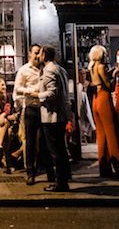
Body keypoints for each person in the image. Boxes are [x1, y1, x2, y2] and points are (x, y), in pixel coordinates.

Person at [88, 45, 119, 179]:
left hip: (95, 100)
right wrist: (114, 75)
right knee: (112, 134)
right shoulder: (101, 67)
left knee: (101, 135)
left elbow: (97, 81)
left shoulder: (91, 67)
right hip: (104, 98)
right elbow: (108, 86)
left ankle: (104, 168)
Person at [33, 45, 72, 192]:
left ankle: (61, 183)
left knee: (55, 151)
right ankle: (64, 178)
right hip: (61, 115)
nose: (38, 57)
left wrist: (37, 95)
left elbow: (52, 93)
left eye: (40, 54)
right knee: (61, 148)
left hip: (52, 116)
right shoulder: (60, 69)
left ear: (44, 55)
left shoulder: (49, 70)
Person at [13, 43, 46, 185]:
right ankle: (30, 172)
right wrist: (32, 92)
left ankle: (47, 170)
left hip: (44, 108)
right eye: (36, 52)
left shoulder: (45, 69)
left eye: (40, 53)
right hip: (31, 107)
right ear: (29, 54)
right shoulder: (24, 70)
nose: (38, 55)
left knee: (45, 141)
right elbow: (18, 88)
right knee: (30, 142)